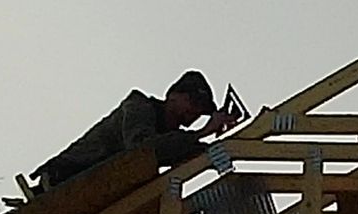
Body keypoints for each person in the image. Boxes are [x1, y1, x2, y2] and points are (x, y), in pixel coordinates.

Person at [31, 71, 240, 190]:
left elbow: (180, 151)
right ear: (173, 95)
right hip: (64, 180)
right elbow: (142, 151)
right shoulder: (138, 106)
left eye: (201, 110)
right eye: (193, 102)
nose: (195, 112)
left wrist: (219, 145)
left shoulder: (170, 138)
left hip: (96, 188)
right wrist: (201, 133)